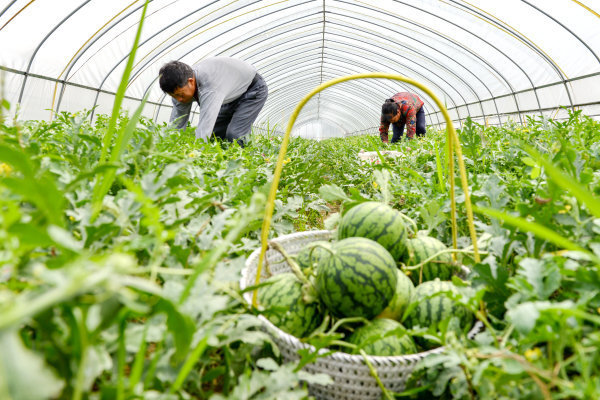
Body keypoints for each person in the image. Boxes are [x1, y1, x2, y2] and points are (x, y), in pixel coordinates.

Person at [159, 57, 268, 145]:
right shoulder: (180, 88)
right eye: (174, 96)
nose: (179, 100)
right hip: (228, 93)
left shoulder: (209, 85)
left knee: (235, 134)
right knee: (215, 134)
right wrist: (169, 149)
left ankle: (242, 165)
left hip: (252, 89)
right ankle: (221, 164)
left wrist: (195, 157)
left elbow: (204, 129)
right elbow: (176, 125)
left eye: (180, 95)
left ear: (191, 81)